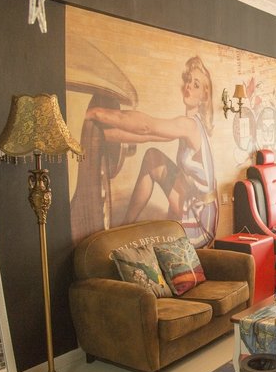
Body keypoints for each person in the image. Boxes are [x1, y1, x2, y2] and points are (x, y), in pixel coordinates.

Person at [85, 56, 218, 247]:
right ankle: (125, 227)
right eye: (188, 81)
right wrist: (102, 136)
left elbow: (146, 126)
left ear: (204, 96)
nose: (189, 86)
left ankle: (124, 229)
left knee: (152, 158)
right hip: (196, 204)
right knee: (152, 156)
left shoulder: (189, 125)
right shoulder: (192, 125)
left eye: (196, 85)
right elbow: (147, 136)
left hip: (200, 221)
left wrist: (95, 113)